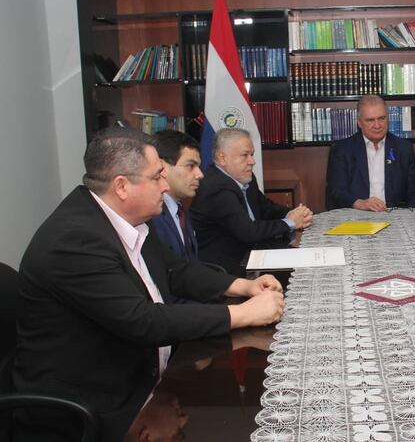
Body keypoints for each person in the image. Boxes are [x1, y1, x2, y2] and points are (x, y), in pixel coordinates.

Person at [13, 127, 285, 442]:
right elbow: (144, 321)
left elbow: (176, 272)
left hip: (144, 378)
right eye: (156, 177)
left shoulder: (128, 218)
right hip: (92, 405)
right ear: (122, 186)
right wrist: (245, 314)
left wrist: (243, 287)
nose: (165, 184)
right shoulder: (74, 240)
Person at [190, 128, 313, 274]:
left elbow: (266, 207)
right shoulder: (215, 187)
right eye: (245, 155)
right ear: (222, 158)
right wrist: (291, 222)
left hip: (253, 255)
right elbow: (249, 232)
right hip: (228, 270)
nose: (252, 161)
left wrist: (296, 213)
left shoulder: (244, 176)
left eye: (252, 155)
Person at [326, 95, 415, 211]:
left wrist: (407, 218)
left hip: (395, 216)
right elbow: (336, 192)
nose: (377, 125)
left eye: (382, 118)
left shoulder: (404, 148)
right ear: (359, 123)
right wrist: (359, 203)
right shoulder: (342, 149)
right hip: (356, 217)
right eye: (370, 120)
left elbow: (414, 195)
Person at [150, 130, 203, 261]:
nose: (200, 174)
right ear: (162, 167)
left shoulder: (180, 209)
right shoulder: (151, 216)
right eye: (190, 166)